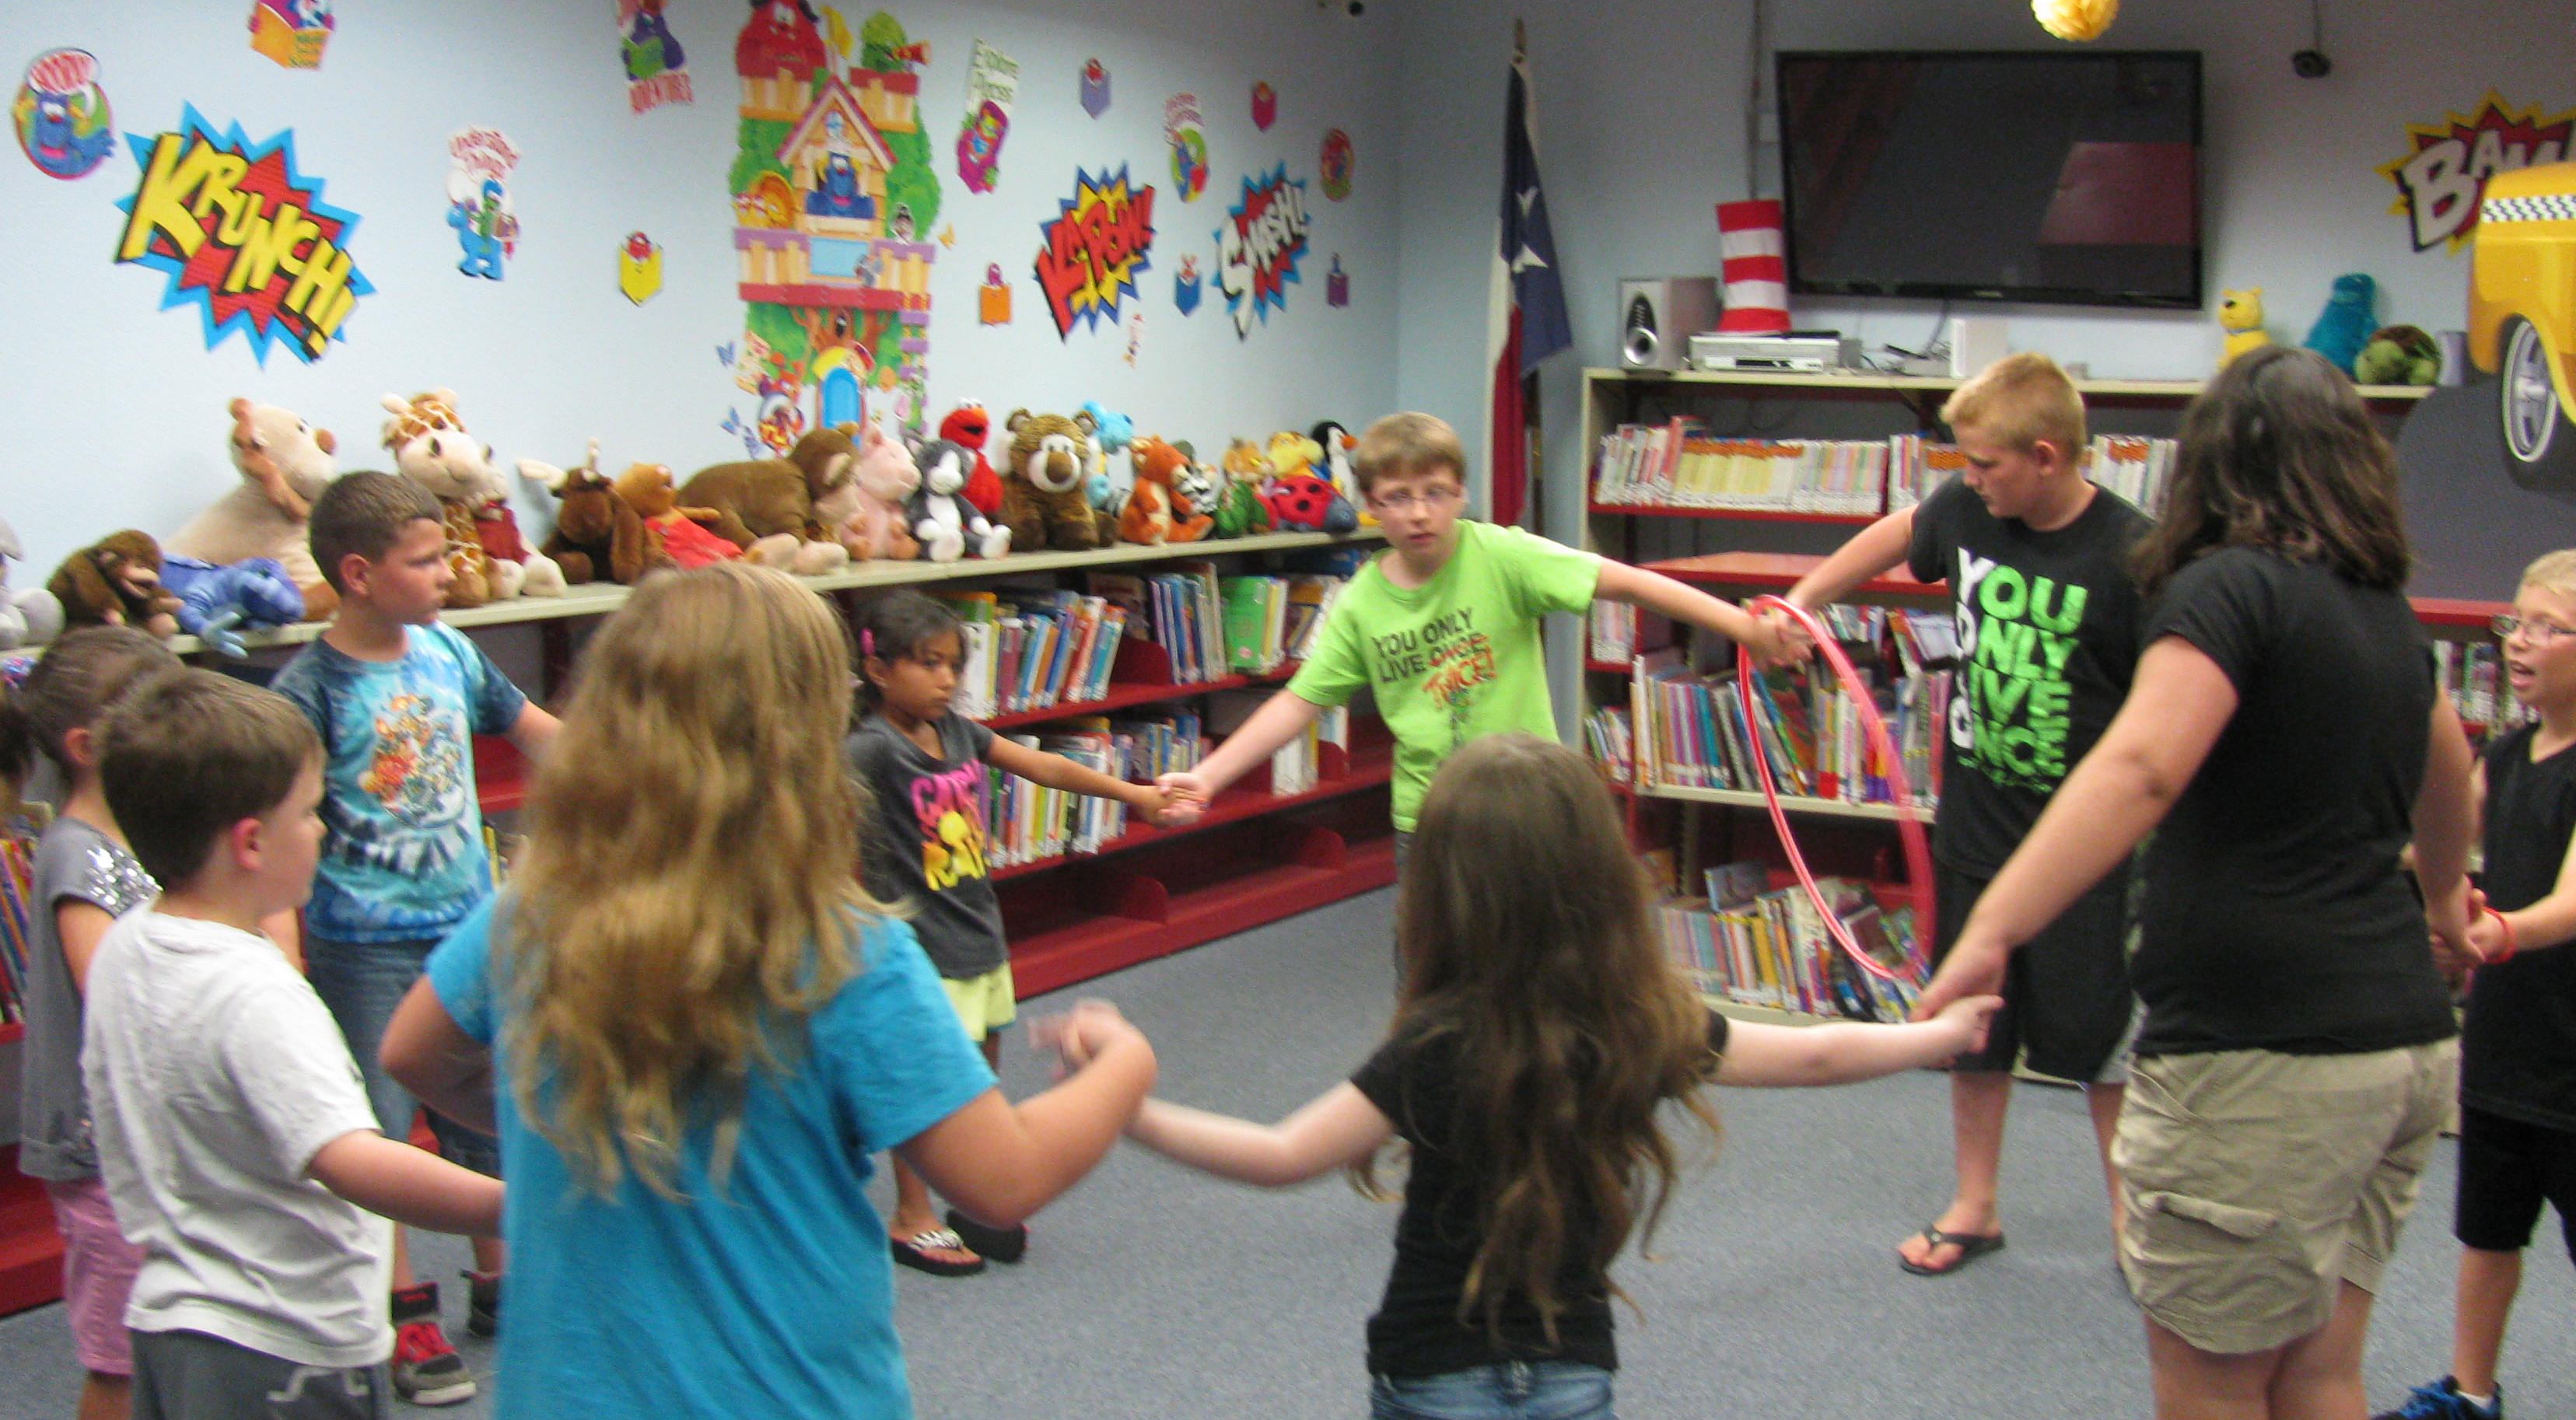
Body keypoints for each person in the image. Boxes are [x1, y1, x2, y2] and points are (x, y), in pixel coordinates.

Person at [377, 563, 1160, 1420]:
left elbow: (414, 1056)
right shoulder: (842, 948)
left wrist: (558, 1130)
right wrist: (1124, 1067)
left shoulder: (529, 915)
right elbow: (1002, 1179)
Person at [1090, 732, 1997, 1420]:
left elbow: (1280, 1154)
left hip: (1436, 1390)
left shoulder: (1435, 1043)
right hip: (1574, 1396)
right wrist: (1938, 1035)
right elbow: (1818, 1056)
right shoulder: (1640, 1023)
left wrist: (1126, 1109)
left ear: (1441, 894)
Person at [1918, 345, 2476, 1420]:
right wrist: (2441, 912)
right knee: (2322, 1372)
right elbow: (2451, 773)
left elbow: (2143, 763)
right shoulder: (2383, 614)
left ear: (2210, 466)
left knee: (2214, 1387)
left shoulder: (2226, 591)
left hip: (2262, 1052)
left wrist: (1993, 923)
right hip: (2398, 1045)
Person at [83, 670, 503, 1420]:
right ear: (249, 842)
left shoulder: (127, 948)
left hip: (173, 1328)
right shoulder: (256, 990)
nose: (324, 830)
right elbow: (351, 1158)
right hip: (283, 1355)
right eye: (312, 811)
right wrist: (524, 1206)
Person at [1767, 352, 2149, 1275]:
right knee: (1974, 1027)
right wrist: (1805, 603)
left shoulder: (2136, 555)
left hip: (2085, 847)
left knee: (2103, 1044)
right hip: (1979, 826)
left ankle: (2134, 1228)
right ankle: (1975, 1204)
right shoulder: (1970, 510)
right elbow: (1899, 531)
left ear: (2047, 456)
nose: (1968, 479)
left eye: (1984, 463)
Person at [1157, 411, 1782, 845]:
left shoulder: (1503, 556)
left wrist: (1743, 627)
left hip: (1528, 806)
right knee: (1435, 975)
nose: (1419, 513)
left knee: (1541, 968)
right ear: (1370, 506)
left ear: (1460, 494)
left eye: (1435, 492)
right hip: (1430, 818)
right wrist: (1208, 777)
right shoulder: (1362, 599)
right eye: (1398, 497)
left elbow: (1629, 582)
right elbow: (1300, 702)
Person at [271, 471, 561, 1405]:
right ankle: (403, 1306)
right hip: (365, 946)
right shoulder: (308, 690)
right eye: (427, 560)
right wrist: (284, 958)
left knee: (494, 1102)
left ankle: (500, 1277)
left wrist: (634, 775)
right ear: (359, 574)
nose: (447, 574)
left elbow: (537, 731)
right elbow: (279, 824)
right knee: (382, 1126)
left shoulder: (449, 653)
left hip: (470, 928)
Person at [847, 588, 1191, 1275]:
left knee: (976, 1072)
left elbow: (1046, 767)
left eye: (954, 665)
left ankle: (975, 1191)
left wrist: (1135, 795)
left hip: (975, 927)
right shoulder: (870, 749)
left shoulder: (958, 733)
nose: (946, 679)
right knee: (925, 1082)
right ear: (879, 670)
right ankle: (912, 1216)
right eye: (927, 664)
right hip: (918, 945)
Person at [2366, 547, 2576, 1420]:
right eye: (2515, 625)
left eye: (2548, 628)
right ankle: (2473, 1398)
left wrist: (2490, 933)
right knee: (2488, 1233)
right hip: (2505, 1044)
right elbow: (2440, 843)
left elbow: (2571, 901)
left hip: (2572, 1053)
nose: (2520, 645)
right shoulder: (2506, 754)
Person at [0, 624, 182, 1420]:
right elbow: (111, 990)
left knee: (163, 1341)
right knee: (119, 1358)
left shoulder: (133, 836)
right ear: (88, 746)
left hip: (151, 1138)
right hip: (104, 1148)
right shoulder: (78, 852)